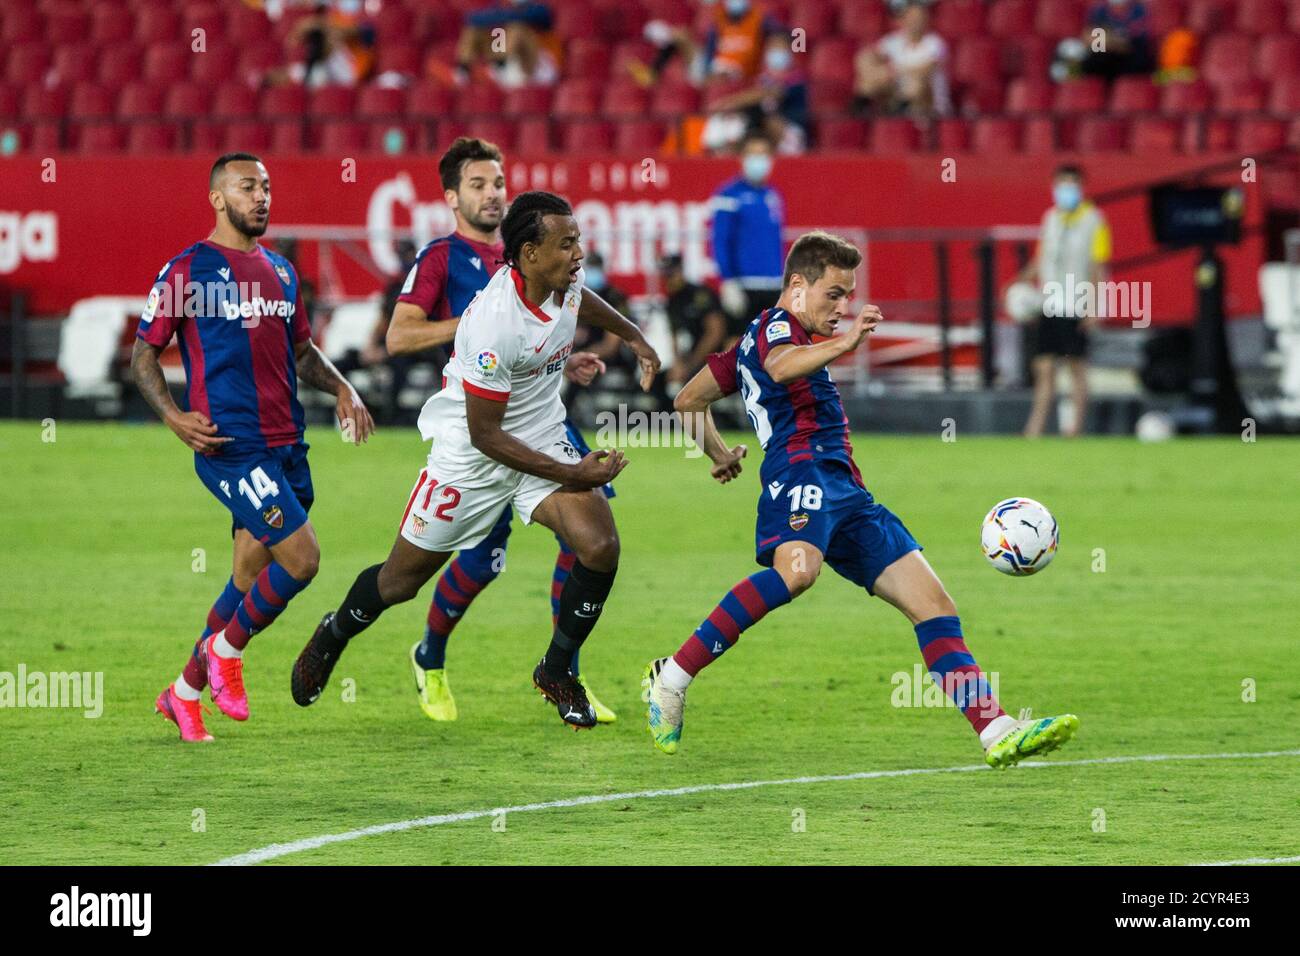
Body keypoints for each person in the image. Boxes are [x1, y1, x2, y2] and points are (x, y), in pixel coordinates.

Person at [643, 231, 1079, 767]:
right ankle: (672, 679)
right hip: (798, 470)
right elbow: (778, 367)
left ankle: (997, 730)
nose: (842, 307)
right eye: (834, 294)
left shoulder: (754, 342)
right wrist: (847, 344)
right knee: (798, 572)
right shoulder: (777, 327)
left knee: (933, 605)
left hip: (845, 488)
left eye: (848, 295)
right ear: (797, 286)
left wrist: (717, 454)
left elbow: (688, 398)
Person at [291, 192, 662, 730]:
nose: (579, 252)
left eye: (578, 239)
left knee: (600, 547)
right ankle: (336, 631)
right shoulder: (493, 323)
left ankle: (555, 670)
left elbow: (586, 301)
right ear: (530, 254)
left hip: (538, 433)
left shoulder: (564, 280)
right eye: (567, 243)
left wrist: (634, 337)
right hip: (470, 460)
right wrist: (576, 473)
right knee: (399, 583)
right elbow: (486, 434)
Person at [133, 152, 374, 742]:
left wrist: (342, 388)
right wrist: (172, 417)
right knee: (303, 560)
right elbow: (143, 356)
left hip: (287, 445)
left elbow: (301, 353)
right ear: (218, 198)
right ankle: (227, 650)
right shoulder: (187, 271)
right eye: (248, 187)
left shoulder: (282, 273)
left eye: (266, 187)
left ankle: (184, 693)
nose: (262, 197)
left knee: (246, 576)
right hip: (230, 448)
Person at [382, 139, 619, 722]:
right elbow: (398, 338)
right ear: (452, 197)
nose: (492, 194)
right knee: (483, 560)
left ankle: (567, 673)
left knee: (586, 536)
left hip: (537, 421)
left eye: (497, 183)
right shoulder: (441, 258)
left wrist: (568, 358)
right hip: (478, 433)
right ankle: (430, 657)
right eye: (478, 185)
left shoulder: (534, 251)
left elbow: (555, 321)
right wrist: (469, 332)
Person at [1017, 165, 1112, 438]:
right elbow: (1041, 259)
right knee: (1044, 366)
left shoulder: (1095, 221)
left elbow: (1098, 266)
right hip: (1050, 302)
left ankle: (1075, 429)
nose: (1065, 191)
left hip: (1076, 302)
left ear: (1081, 187)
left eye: (1071, 185)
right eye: (1061, 185)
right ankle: (1034, 429)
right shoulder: (1051, 219)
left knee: (1075, 366)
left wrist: (1095, 305)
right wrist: (1019, 281)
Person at [710, 132, 785, 343]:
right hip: (744, 284)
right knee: (737, 342)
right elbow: (720, 240)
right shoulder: (729, 195)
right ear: (742, 157)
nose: (759, 160)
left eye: (763, 154)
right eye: (753, 154)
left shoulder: (772, 195)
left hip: (773, 284)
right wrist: (728, 281)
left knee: (771, 345)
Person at [853, 0, 950, 117]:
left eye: (919, 18)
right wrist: (878, 72)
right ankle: (860, 107)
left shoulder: (935, 43)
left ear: (926, 20)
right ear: (903, 20)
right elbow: (866, 58)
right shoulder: (892, 41)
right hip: (896, 93)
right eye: (911, 17)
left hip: (928, 103)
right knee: (867, 68)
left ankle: (898, 111)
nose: (915, 22)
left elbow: (926, 69)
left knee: (916, 83)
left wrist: (893, 71)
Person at [660, 252, 727, 390]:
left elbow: (715, 332)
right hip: (692, 356)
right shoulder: (672, 301)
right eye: (665, 275)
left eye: (671, 274)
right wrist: (678, 364)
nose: (668, 279)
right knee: (660, 382)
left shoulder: (699, 294)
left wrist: (691, 364)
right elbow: (675, 336)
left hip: (715, 356)